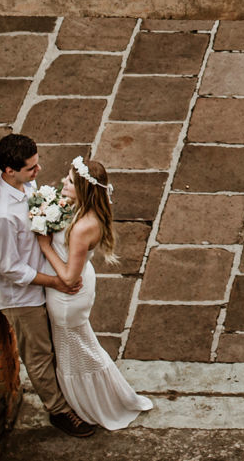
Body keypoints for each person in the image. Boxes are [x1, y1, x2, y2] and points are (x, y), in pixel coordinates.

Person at [0, 134, 98, 438]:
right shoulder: (2, 217)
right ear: (9, 170)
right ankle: (59, 411)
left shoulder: (24, 184)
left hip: (44, 280)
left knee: (56, 345)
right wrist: (58, 282)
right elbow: (9, 268)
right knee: (39, 354)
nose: (38, 171)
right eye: (31, 168)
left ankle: (74, 397)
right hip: (22, 297)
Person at [37, 155, 155, 429]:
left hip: (68, 296)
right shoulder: (83, 212)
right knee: (82, 346)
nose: (63, 183)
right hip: (78, 284)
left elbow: (67, 277)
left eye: (69, 181)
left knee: (74, 352)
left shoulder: (82, 227)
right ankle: (104, 397)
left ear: (84, 189)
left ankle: (92, 404)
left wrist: (45, 246)